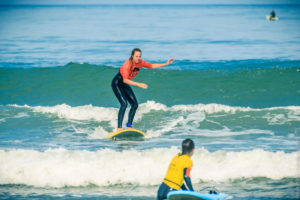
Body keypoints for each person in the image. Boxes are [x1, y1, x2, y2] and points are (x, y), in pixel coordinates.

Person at [111, 48, 174, 132]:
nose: (138, 58)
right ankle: (119, 128)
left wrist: (165, 64)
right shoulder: (127, 64)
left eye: (139, 56)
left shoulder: (140, 62)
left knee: (134, 105)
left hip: (125, 83)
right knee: (124, 104)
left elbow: (151, 65)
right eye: (136, 56)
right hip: (117, 83)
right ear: (132, 56)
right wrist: (138, 84)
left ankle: (129, 126)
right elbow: (125, 80)